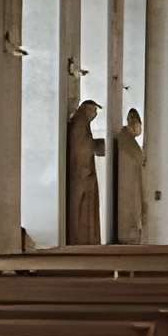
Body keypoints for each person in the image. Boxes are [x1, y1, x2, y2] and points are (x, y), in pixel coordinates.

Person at [64, 97, 104, 245]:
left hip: (84, 174)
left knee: (86, 209)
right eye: (94, 110)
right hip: (82, 174)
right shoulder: (80, 123)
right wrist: (97, 145)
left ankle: (87, 238)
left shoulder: (82, 123)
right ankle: (83, 239)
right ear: (87, 109)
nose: (95, 114)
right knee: (82, 209)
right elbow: (82, 147)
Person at [109, 106, 148, 244]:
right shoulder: (125, 138)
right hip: (128, 183)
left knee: (135, 209)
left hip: (132, 181)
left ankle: (133, 234)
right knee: (131, 209)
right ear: (133, 123)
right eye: (138, 126)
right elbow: (140, 157)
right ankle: (129, 236)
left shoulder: (127, 138)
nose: (139, 130)